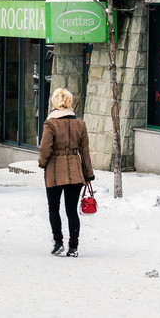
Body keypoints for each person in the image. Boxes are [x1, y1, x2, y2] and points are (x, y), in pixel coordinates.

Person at [38, 88, 94, 257]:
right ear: (70, 103)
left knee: (53, 208)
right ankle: (74, 246)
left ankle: (58, 241)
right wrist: (88, 174)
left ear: (55, 102)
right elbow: (85, 152)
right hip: (75, 172)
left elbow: (45, 148)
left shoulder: (50, 124)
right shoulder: (80, 124)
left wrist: (42, 163)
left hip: (54, 171)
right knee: (71, 211)